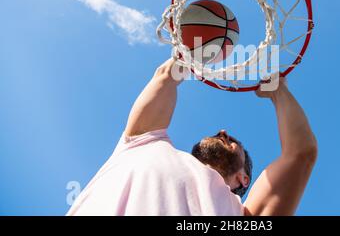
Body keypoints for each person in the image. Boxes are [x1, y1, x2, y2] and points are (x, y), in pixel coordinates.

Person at [67, 58, 317, 216]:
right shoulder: (143, 142)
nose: (222, 132)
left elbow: (300, 154)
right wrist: (190, 53)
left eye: (233, 143)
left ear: (243, 179)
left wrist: (278, 92)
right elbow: (165, 76)